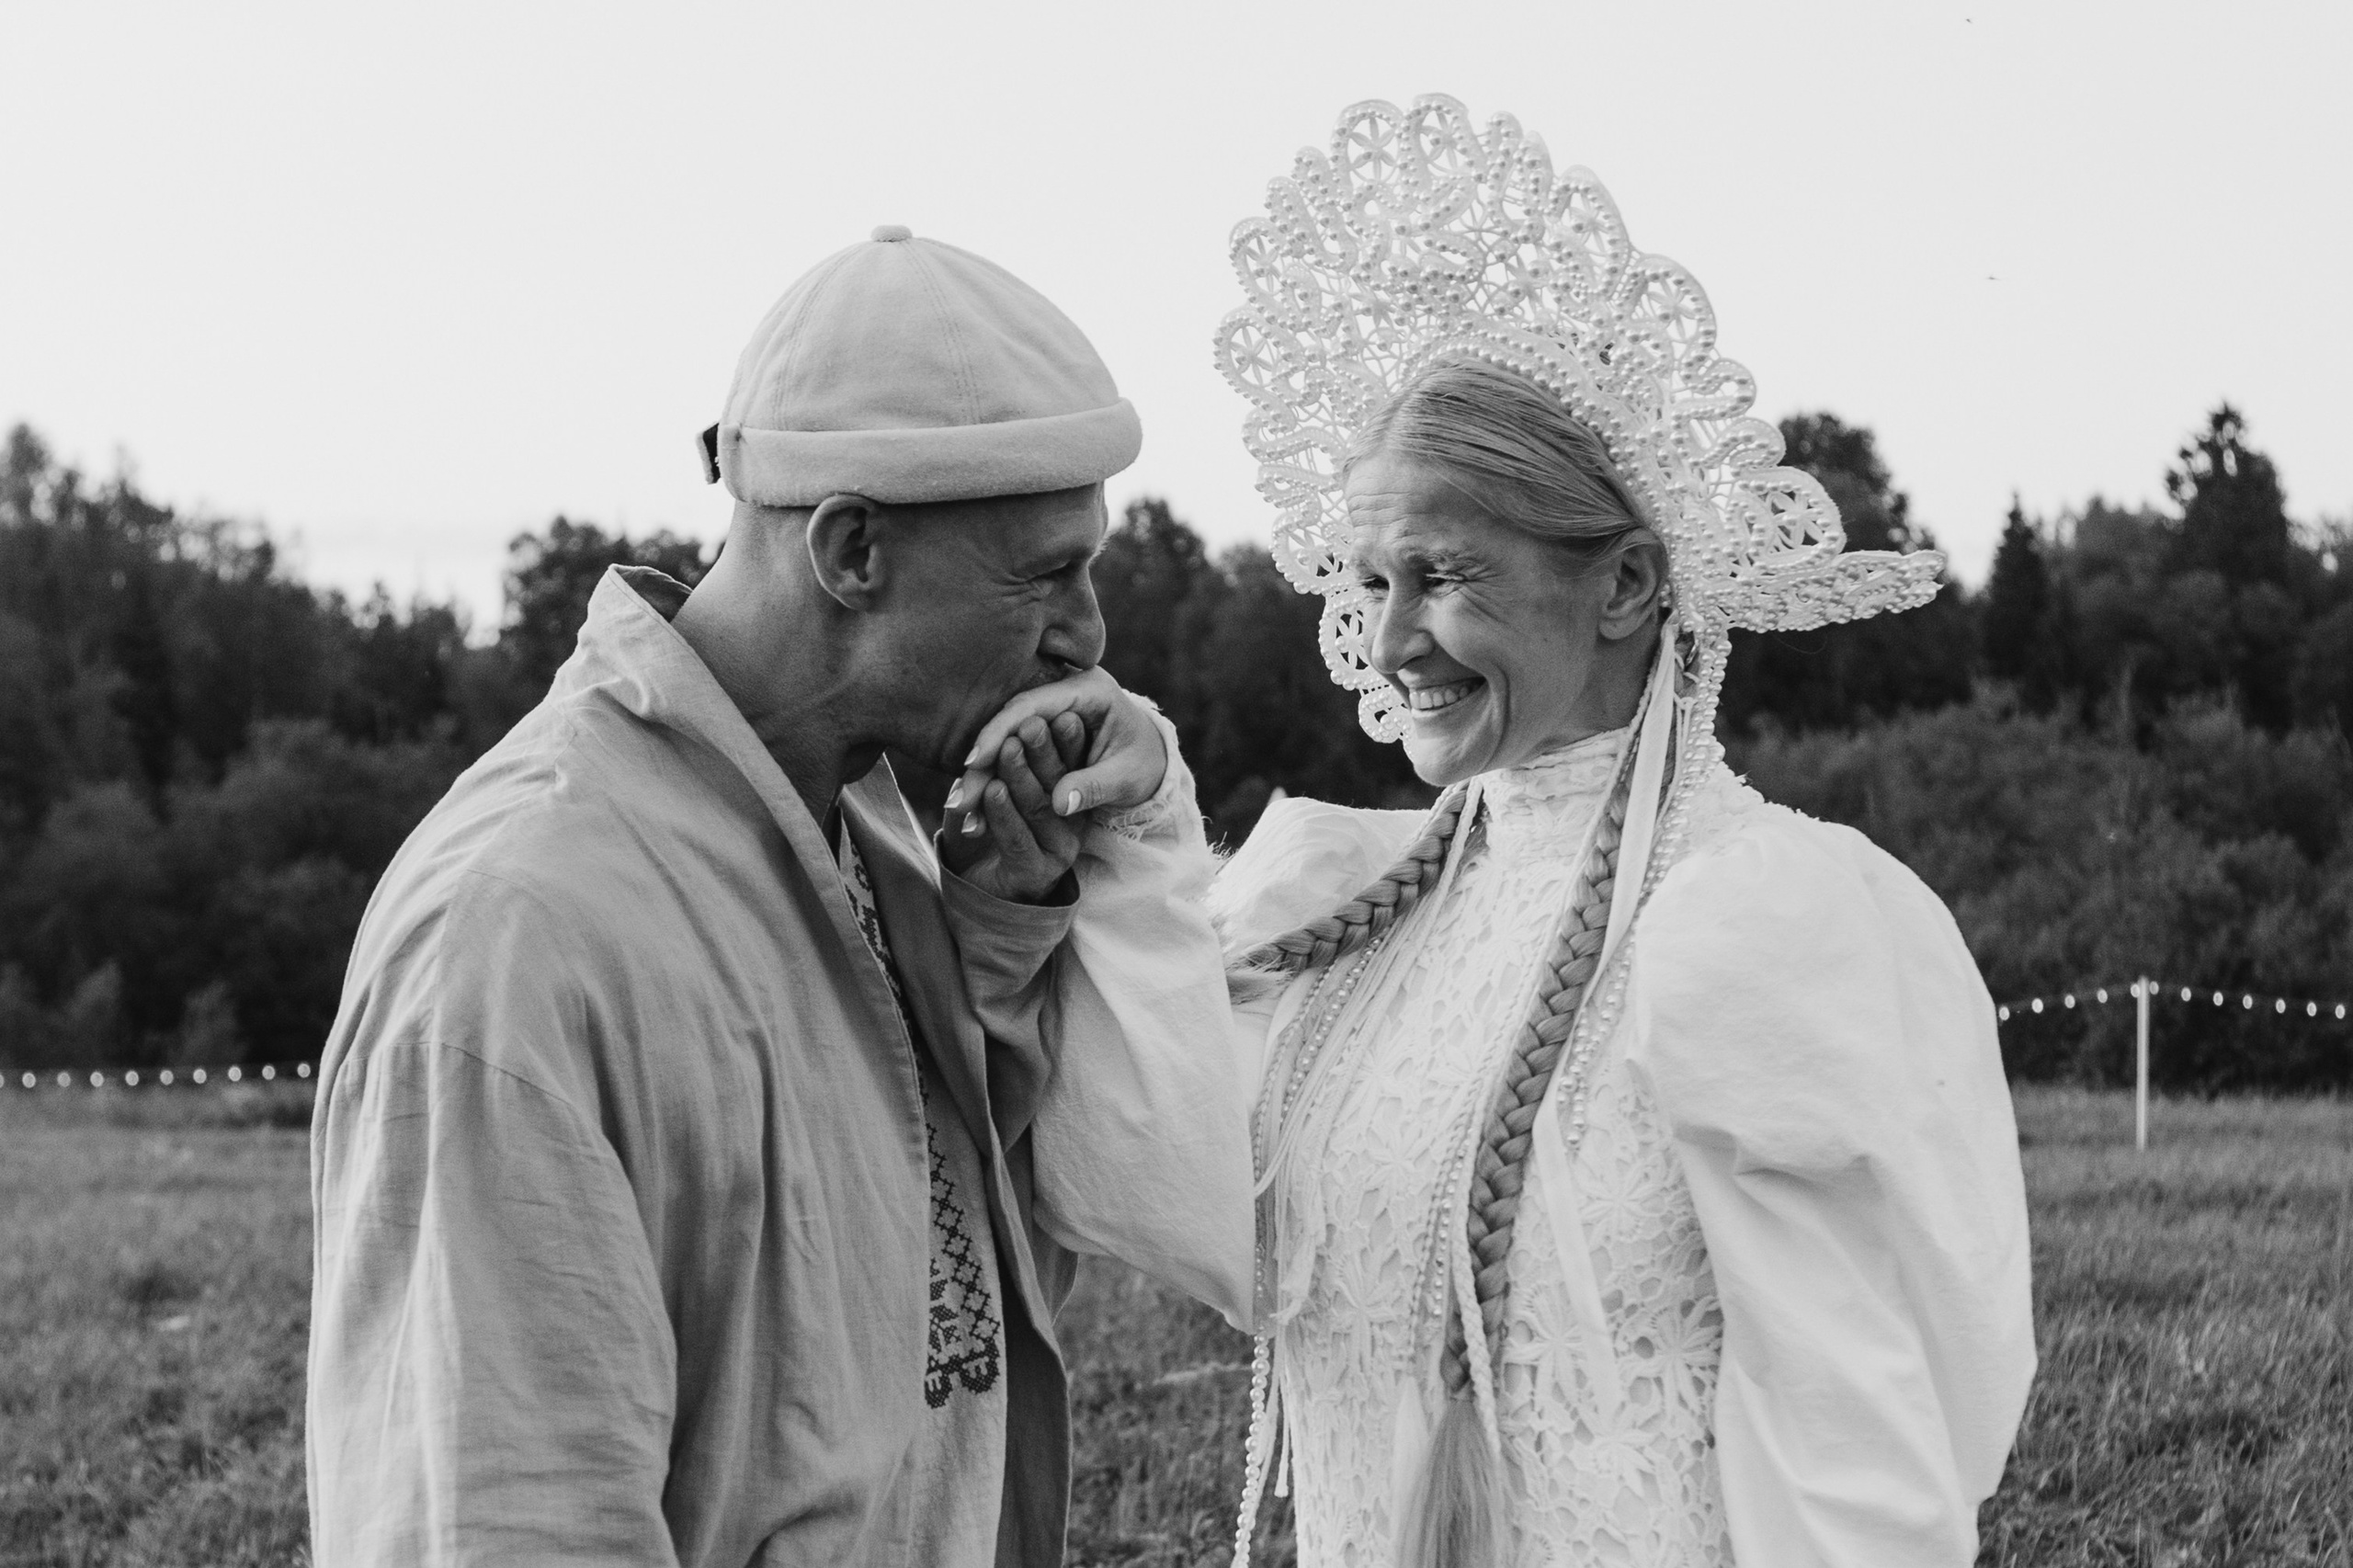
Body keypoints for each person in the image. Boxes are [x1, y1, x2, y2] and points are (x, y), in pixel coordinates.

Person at [959, 97, 2036, 1567]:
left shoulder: (1755, 922)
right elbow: (1140, 1183)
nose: (1391, 636)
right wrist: (1136, 823)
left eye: (1444, 571)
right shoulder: (1362, 909)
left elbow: (1871, 1464)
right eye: (1371, 575)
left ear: (1628, 583)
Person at [304, 225, 1250, 1567]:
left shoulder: (867, 826)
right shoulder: (523, 934)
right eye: (1044, 573)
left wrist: (1000, 922)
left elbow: (936, 1314)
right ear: (852, 550)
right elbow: (501, 1514)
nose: (1087, 635)